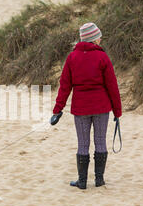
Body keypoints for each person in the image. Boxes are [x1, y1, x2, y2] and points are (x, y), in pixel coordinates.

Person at [51, 22, 122, 189]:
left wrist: (57, 109)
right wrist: (117, 111)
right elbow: (112, 86)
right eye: (99, 37)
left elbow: (65, 86)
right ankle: (99, 180)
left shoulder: (72, 58)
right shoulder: (102, 57)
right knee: (100, 141)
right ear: (93, 39)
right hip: (101, 107)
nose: (101, 39)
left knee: (83, 143)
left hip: (81, 108)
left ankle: (82, 181)